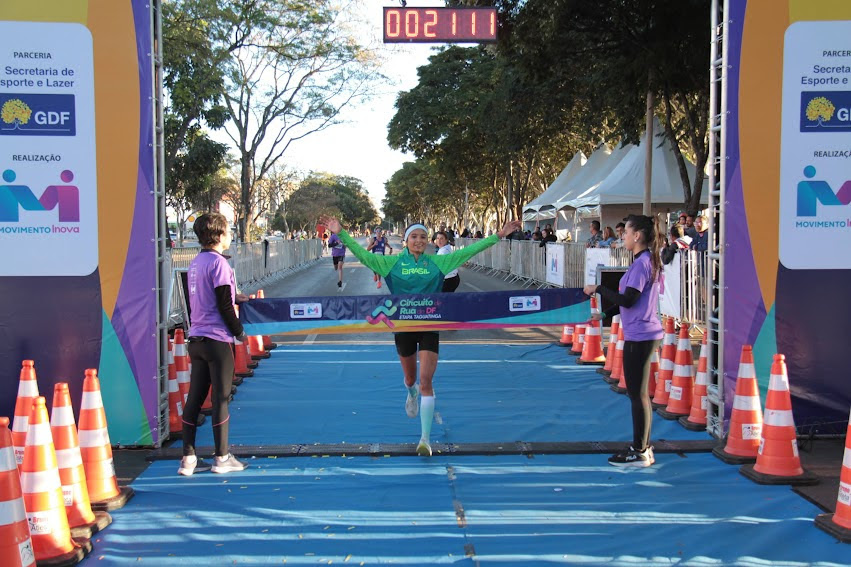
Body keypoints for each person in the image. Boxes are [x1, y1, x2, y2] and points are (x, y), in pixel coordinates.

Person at [320, 215, 522, 457]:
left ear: (429, 242)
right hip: (403, 328)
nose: (419, 240)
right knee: (410, 379)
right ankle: (410, 391)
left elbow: (472, 251)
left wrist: (498, 235)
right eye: (414, 237)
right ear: (406, 241)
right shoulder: (391, 263)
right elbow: (364, 256)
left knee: (426, 381)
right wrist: (341, 232)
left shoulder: (438, 263)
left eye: (423, 237)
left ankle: (425, 439)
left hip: (429, 326)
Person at [583, 214, 670, 467]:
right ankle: (642, 446)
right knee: (638, 394)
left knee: (638, 394)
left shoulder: (643, 263)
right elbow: (629, 301)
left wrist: (597, 289)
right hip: (641, 332)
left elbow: (629, 299)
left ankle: (640, 449)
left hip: (641, 335)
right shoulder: (643, 262)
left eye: (626, 233)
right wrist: (605, 313)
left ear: (637, 236)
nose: (623, 237)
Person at [179, 213, 248, 476]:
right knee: (221, 399)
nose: (231, 235)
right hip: (217, 339)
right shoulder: (220, 264)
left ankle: (188, 458)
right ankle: (222, 457)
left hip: (196, 339)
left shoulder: (197, 262)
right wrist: (239, 332)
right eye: (228, 231)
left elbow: (213, 296)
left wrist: (235, 297)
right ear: (218, 236)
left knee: (194, 399)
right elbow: (222, 304)